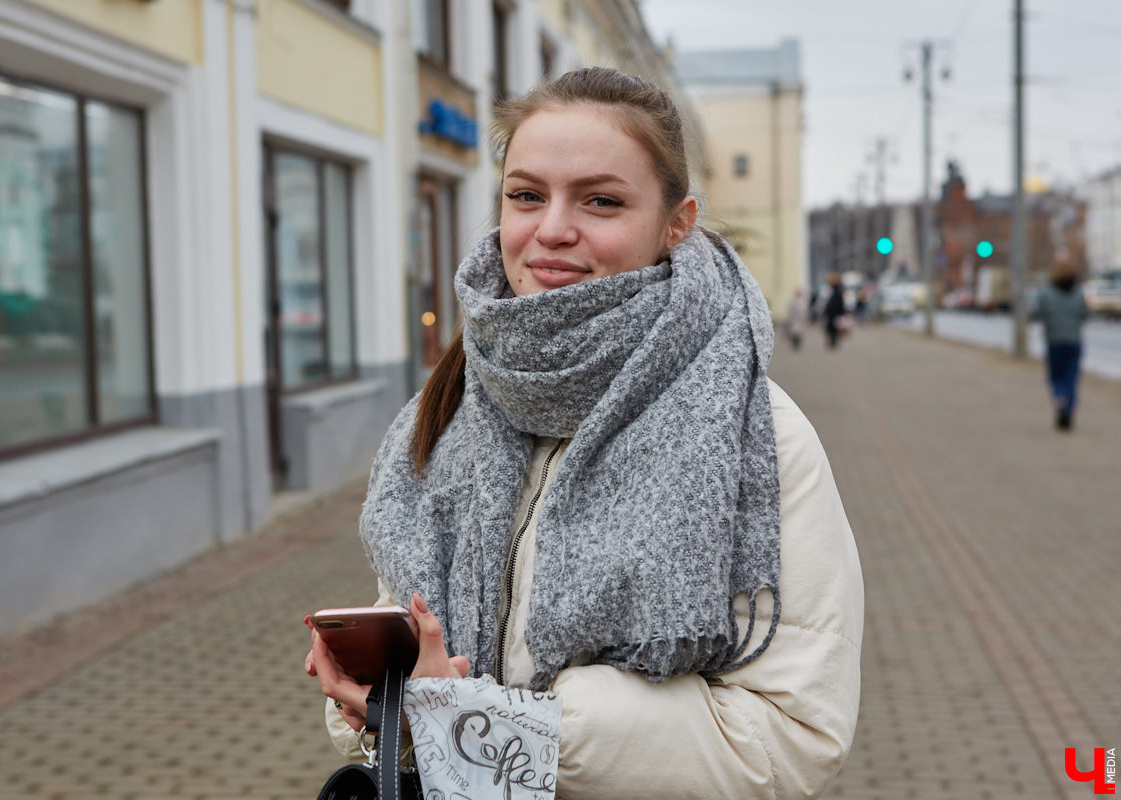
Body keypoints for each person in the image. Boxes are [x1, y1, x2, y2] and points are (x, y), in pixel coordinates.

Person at [306, 67, 862, 799]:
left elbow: (793, 739)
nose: (553, 228)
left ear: (677, 223)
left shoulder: (758, 437)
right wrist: (384, 694)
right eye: (527, 196)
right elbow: (426, 652)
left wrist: (499, 722)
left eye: (601, 200)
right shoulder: (446, 411)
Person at [1034, 258, 1090, 430]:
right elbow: (1085, 315)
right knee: (1071, 378)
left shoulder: (1046, 293)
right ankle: (1068, 409)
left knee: (1056, 376)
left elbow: (1038, 313)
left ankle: (1059, 398)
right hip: (1074, 341)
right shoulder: (1080, 293)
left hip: (1054, 341)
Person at [822, 272, 846, 349]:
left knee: (834, 328)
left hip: (835, 312)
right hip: (832, 312)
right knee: (831, 328)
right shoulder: (831, 290)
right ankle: (832, 341)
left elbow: (840, 303)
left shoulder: (837, 291)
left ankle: (833, 342)